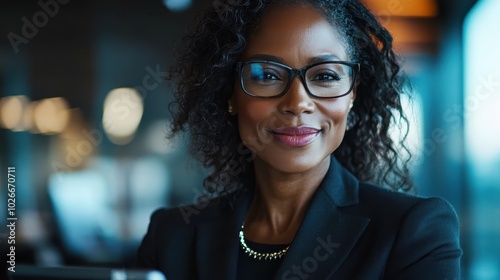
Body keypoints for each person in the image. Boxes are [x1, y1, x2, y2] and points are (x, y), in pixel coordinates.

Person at [137, 0, 462, 279]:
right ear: (231, 95)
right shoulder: (171, 236)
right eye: (266, 75)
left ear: (352, 95)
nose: (297, 103)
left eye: (324, 76)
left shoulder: (414, 232)